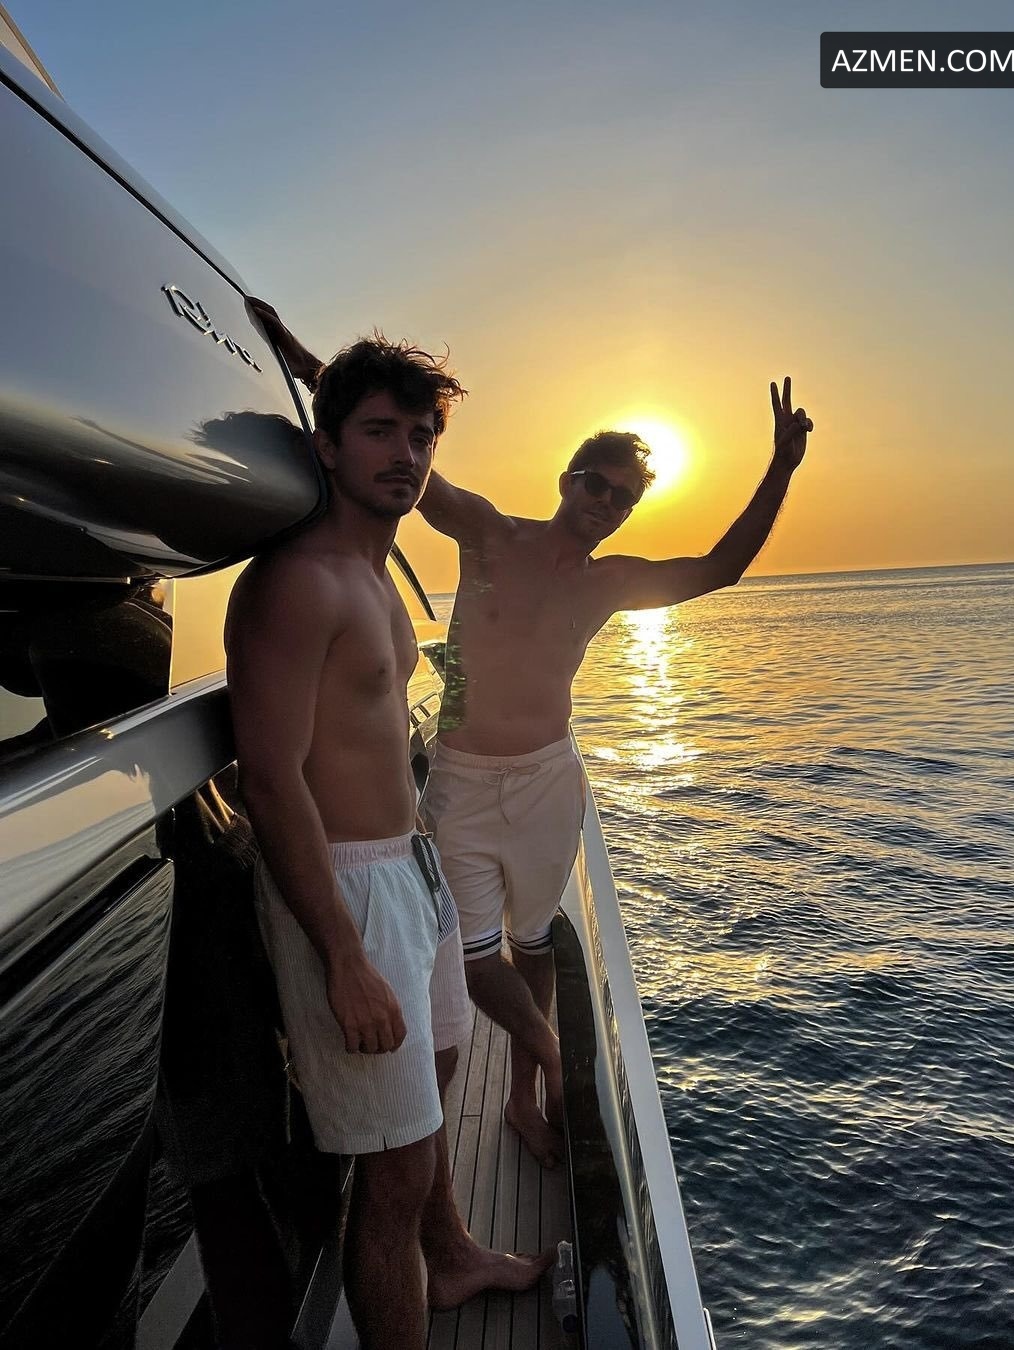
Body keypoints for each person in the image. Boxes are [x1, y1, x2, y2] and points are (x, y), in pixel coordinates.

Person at [245, 301, 812, 1170]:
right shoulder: (487, 534)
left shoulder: (609, 582)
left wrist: (780, 468)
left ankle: (520, 1097)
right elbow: (401, 453)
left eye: (623, 498)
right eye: (595, 484)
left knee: (535, 941)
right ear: (567, 479)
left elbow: (719, 569)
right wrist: (299, 358)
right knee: (474, 959)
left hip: (549, 778)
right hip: (463, 782)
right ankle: (548, 1053)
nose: (605, 504)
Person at [225, 331, 548, 1350]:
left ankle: (447, 1258)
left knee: (439, 1080)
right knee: (394, 1167)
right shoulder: (298, 583)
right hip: (347, 891)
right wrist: (344, 956)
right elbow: (272, 781)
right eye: (377, 432)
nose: (404, 454)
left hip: (410, 868)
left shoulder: (375, 571)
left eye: (420, 435)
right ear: (326, 446)